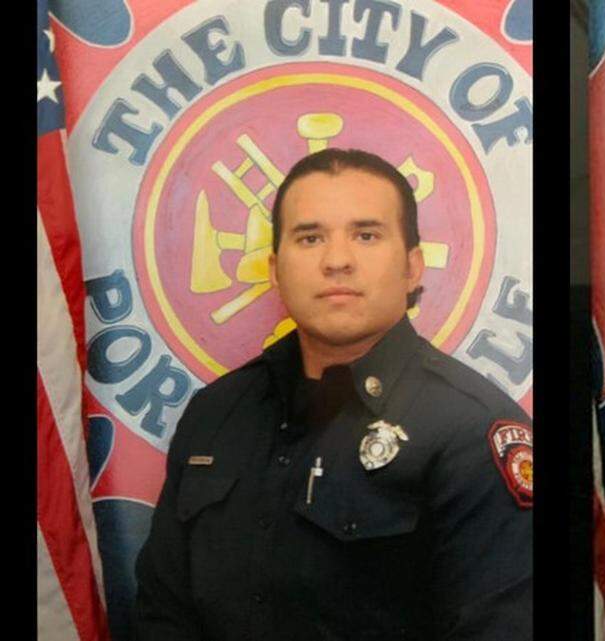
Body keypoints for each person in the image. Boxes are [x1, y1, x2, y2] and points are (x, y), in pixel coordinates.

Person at [134, 148, 533, 641]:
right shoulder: (215, 413)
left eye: (366, 235)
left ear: (413, 266)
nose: (337, 260)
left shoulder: (471, 430)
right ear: (276, 269)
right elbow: (162, 617)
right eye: (310, 237)